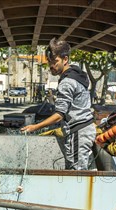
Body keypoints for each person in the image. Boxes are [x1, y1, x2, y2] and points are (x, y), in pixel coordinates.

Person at [21, 39, 96, 170]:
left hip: (78, 132)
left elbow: (59, 115)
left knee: (76, 173)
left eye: (54, 62)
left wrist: (35, 127)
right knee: (81, 170)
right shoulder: (77, 75)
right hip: (85, 129)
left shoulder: (67, 82)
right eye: (49, 62)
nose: (51, 66)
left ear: (65, 59)